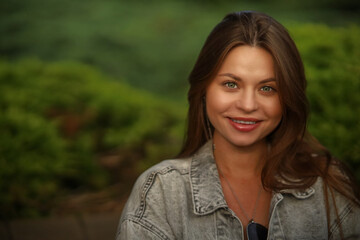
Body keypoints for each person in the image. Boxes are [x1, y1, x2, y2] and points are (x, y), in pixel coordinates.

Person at [116, 11, 360, 240]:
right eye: (231, 84)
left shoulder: (327, 184)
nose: (247, 105)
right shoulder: (161, 192)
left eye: (267, 88)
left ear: (287, 99)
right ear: (204, 90)